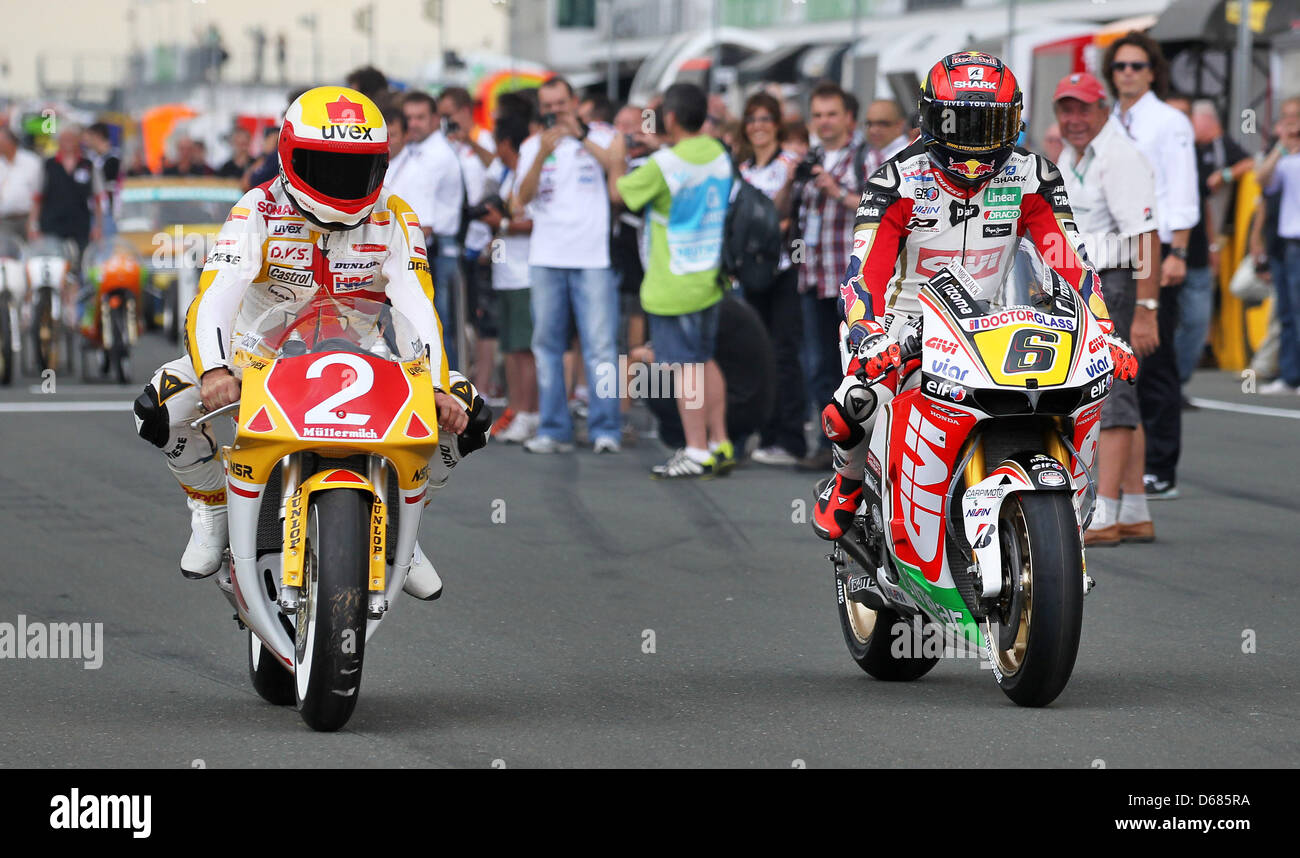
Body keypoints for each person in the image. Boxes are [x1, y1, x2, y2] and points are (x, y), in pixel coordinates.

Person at [131, 86, 490, 600]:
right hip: (254, 361)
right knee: (156, 410)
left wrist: (434, 386)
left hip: (369, 361)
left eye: (356, 168)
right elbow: (216, 296)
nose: (342, 182)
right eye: (324, 166)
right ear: (289, 154)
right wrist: (213, 371)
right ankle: (210, 503)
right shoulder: (255, 208)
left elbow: (416, 303)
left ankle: (404, 525)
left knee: (469, 416)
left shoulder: (396, 217)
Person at [809, 52, 1137, 541]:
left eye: (992, 126)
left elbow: (1070, 261)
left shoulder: (1034, 176)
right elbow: (864, 273)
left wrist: (1107, 333)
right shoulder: (895, 179)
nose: (978, 143)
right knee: (853, 403)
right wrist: (867, 332)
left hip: (988, 317)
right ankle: (849, 480)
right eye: (963, 124)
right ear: (930, 119)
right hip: (902, 323)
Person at [1052, 72, 1161, 546]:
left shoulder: (1117, 156)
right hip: (1089, 283)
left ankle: (1104, 514)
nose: (1074, 119)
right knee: (1122, 394)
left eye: (1084, 109)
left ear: (1104, 110)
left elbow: (1146, 237)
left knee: (1110, 394)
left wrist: (1147, 307)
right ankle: (1133, 510)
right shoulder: (1073, 153)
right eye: (1066, 108)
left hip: (1113, 283)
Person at [609, 82, 734, 477]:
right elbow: (685, 163)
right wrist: (661, 147)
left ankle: (695, 451)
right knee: (705, 360)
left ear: (672, 118)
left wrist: (617, 157)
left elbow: (620, 193)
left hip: (673, 282)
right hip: (710, 278)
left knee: (685, 369)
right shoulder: (718, 153)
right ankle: (719, 441)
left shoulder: (664, 165)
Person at [1103, 32, 1199, 501]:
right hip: (1116, 253)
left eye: (1137, 66)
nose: (1127, 73)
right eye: (1120, 66)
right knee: (1122, 365)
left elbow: (1181, 189)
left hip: (1157, 247)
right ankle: (1130, 475)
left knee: (1156, 361)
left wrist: (1178, 251)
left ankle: (1163, 467)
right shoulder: (1112, 119)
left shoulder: (1169, 121)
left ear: (1152, 70)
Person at [514, 75, 623, 454]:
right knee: (546, 345)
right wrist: (543, 154)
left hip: (593, 257)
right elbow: (519, 201)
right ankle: (554, 429)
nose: (555, 111)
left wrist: (578, 137)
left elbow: (615, 167)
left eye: (560, 104)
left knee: (601, 347)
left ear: (574, 102)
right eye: (548, 106)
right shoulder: (531, 145)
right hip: (546, 258)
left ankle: (606, 429)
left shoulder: (605, 136)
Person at [794, 80, 867, 472]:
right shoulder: (812, 155)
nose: (824, 121)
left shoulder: (865, 159)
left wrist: (835, 190)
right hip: (812, 276)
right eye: (818, 114)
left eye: (832, 114)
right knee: (817, 365)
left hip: (850, 280)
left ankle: (858, 450)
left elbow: (879, 210)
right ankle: (827, 444)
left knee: (852, 366)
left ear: (849, 118)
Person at [734, 91, 806, 467]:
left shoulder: (789, 163)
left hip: (785, 269)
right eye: (752, 118)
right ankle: (761, 431)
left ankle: (790, 437)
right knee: (755, 355)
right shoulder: (742, 168)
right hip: (749, 271)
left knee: (784, 354)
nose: (758, 126)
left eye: (765, 118)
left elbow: (784, 215)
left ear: (776, 123)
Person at [1176, 99, 1252, 393]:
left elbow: (1203, 204)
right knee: (1163, 322)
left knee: (1196, 321)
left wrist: (1212, 246)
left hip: (1195, 251)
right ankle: (1163, 389)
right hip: (1162, 253)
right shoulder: (1169, 152)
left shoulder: (1209, 149)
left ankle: (1177, 382)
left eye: (1187, 117)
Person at [391, 90, 465, 369]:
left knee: (436, 324)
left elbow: (424, 222)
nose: (414, 124)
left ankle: (451, 388)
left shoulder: (434, 156)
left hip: (436, 248)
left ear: (435, 119)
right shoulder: (417, 151)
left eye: (420, 117)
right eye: (409, 117)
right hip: (421, 246)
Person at [481, 113, 540, 444]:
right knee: (513, 348)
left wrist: (500, 225)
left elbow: (533, 222)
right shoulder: (510, 175)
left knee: (523, 350)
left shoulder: (525, 177)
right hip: (507, 272)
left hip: (524, 273)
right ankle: (519, 410)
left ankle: (529, 413)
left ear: (505, 143)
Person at [1255, 95, 1300, 395]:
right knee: (1285, 312)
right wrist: (1282, 144)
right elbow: (1263, 181)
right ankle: (1289, 375)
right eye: (1285, 117)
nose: (1291, 122)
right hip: (1285, 242)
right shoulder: (1283, 154)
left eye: (1295, 117)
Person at [31, 126, 99, 251]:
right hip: (52, 223)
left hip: (80, 223)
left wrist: (98, 226)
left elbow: (98, 198)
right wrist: (33, 225)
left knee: (82, 259)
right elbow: (37, 198)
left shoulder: (87, 164)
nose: (68, 142)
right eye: (65, 139)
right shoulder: (48, 164)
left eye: (71, 138)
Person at [0, 127, 43, 237]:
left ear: (10, 142)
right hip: (4, 221)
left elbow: (38, 195)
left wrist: (33, 223)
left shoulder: (31, 161)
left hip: (27, 219)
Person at [860, 99, 909, 178]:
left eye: (882, 124)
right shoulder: (866, 155)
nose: (873, 130)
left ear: (900, 125)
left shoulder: (909, 157)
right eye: (869, 124)